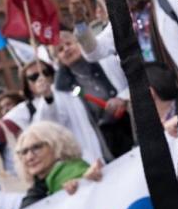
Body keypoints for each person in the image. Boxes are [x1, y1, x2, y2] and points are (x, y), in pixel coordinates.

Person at [0, 59, 106, 164]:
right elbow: (1, 131)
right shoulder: (25, 109)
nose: (41, 78)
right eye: (34, 77)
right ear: (27, 85)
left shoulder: (71, 92)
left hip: (100, 155)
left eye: (45, 73)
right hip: (69, 168)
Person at [55, 28, 133, 159]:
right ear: (57, 59)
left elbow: (134, 79)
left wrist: (122, 98)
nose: (66, 49)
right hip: (107, 142)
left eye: (69, 44)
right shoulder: (62, 90)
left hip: (132, 120)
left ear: (78, 43)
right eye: (60, 50)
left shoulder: (105, 59)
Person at [15, 121, 103, 209]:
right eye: (24, 152)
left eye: (37, 147)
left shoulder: (74, 173)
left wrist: (87, 182)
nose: (30, 157)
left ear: (56, 145)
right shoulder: (38, 188)